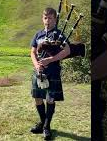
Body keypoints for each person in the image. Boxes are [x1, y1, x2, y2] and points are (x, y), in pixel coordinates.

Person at [30, 7, 70, 140]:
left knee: (50, 99)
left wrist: (51, 59)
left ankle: (46, 127)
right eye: (45, 18)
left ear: (55, 19)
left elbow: (67, 51)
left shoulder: (59, 34)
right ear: (43, 19)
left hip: (52, 72)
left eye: (50, 18)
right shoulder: (38, 34)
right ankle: (43, 123)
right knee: (38, 98)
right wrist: (37, 66)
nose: (47, 20)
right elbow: (32, 52)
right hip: (39, 72)